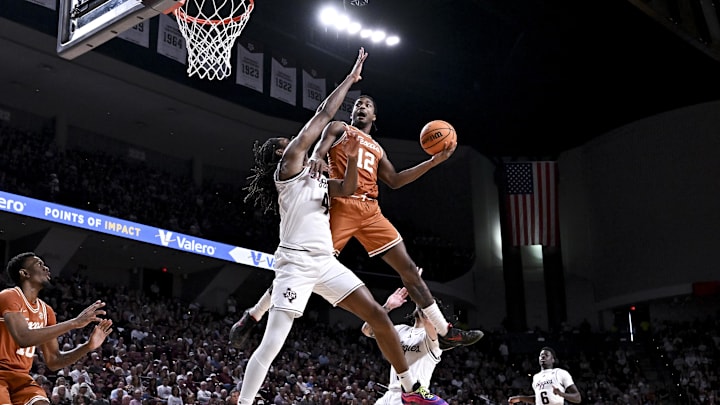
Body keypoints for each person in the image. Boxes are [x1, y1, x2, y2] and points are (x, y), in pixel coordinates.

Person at [236, 47, 447, 405]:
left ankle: (411, 389)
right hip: (296, 264)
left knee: (378, 316)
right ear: (279, 153)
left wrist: (348, 160)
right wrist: (349, 80)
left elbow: (349, 188)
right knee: (272, 346)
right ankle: (243, 401)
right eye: (287, 143)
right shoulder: (288, 168)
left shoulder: (318, 178)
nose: (293, 140)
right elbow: (322, 116)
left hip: (325, 263)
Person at [231, 85, 483, 352]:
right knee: (305, 264)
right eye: (357, 104)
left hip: (371, 211)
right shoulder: (339, 128)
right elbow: (318, 149)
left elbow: (395, 181)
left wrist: (433, 161)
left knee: (408, 269)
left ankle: (445, 331)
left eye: (366, 105)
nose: (360, 107)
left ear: (374, 116)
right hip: (340, 205)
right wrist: (316, 158)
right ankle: (254, 314)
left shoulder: (377, 148)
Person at [0, 252, 114, 405]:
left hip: (21, 378)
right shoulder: (9, 296)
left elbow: (54, 361)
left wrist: (88, 346)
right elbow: (23, 338)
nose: (46, 268)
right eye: (39, 264)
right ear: (24, 273)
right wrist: (74, 323)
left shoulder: (46, 311)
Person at [360, 283, 444, 405]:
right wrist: (387, 307)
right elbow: (367, 330)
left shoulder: (434, 338)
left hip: (412, 397)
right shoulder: (400, 329)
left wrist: (416, 287)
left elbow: (426, 318)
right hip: (390, 395)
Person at [507, 347, 582, 405]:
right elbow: (539, 399)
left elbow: (577, 398)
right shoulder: (536, 377)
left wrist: (561, 394)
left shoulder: (560, 372)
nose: (543, 357)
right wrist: (520, 398)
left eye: (546, 355)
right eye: (541, 355)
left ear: (553, 360)